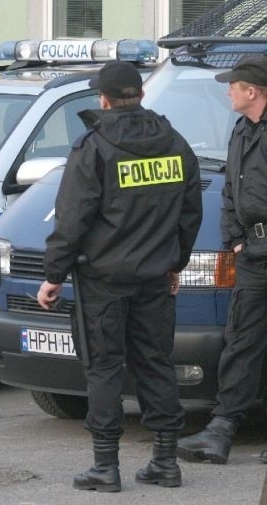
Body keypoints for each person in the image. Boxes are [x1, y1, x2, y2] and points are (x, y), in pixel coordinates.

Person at [37, 60, 202, 492]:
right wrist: (175, 263)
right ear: (141, 96)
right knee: (156, 364)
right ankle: (165, 462)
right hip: (154, 278)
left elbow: (72, 218)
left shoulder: (94, 147)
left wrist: (53, 274)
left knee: (105, 367)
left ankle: (105, 468)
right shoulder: (176, 143)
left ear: (104, 99)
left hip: (104, 281)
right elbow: (190, 213)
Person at [178, 54, 267, 465]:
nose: (227, 90)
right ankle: (221, 430)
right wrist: (234, 240)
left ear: (253, 91)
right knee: (241, 342)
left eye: (233, 85)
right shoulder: (241, 130)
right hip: (252, 254)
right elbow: (232, 191)